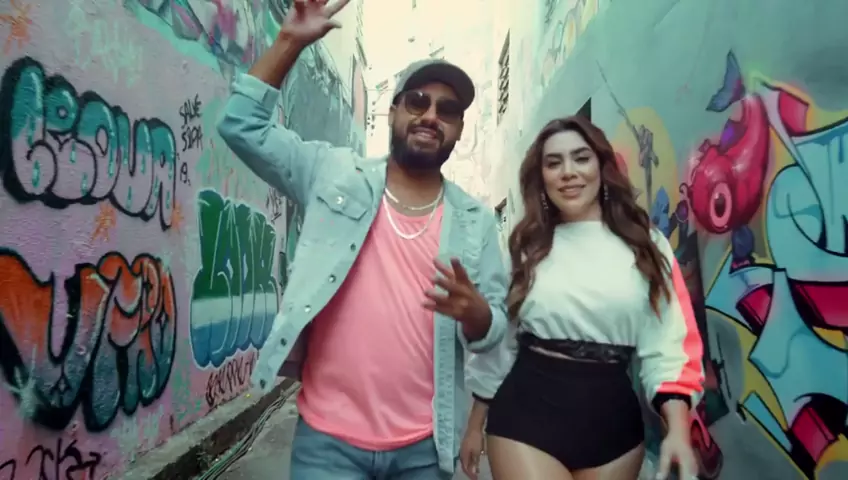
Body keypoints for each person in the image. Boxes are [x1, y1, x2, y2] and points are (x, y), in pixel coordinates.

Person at [216, 0, 508, 478]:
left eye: (448, 110)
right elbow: (241, 126)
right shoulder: (333, 172)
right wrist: (289, 42)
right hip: (327, 445)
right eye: (417, 101)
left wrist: (479, 316)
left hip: (425, 450)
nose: (430, 115)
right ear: (392, 111)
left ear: (458, 129)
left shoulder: (475, 221)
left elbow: (496, 331)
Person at [460, 115, 705, 480]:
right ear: (542, 177)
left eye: (581, 158)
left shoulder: (647, 245)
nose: (568, 172)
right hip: (526, 418)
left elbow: (669, 343)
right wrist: (475, 423)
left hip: (614, 430)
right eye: (553, 163)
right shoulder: (528, 247)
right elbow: (504, 343)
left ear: (601, 167)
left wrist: (679, 431)